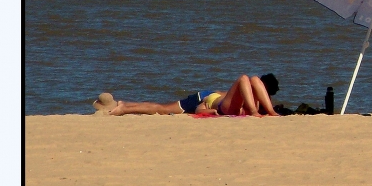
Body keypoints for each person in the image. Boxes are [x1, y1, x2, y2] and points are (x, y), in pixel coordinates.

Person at [94, 74, 280, 117]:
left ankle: (125, 105)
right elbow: (202, 108)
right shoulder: (250, 95)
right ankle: (124, 107)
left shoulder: (253, 92)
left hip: (212, 97)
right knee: (162, 109)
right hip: (210, 100)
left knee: (163, 108)